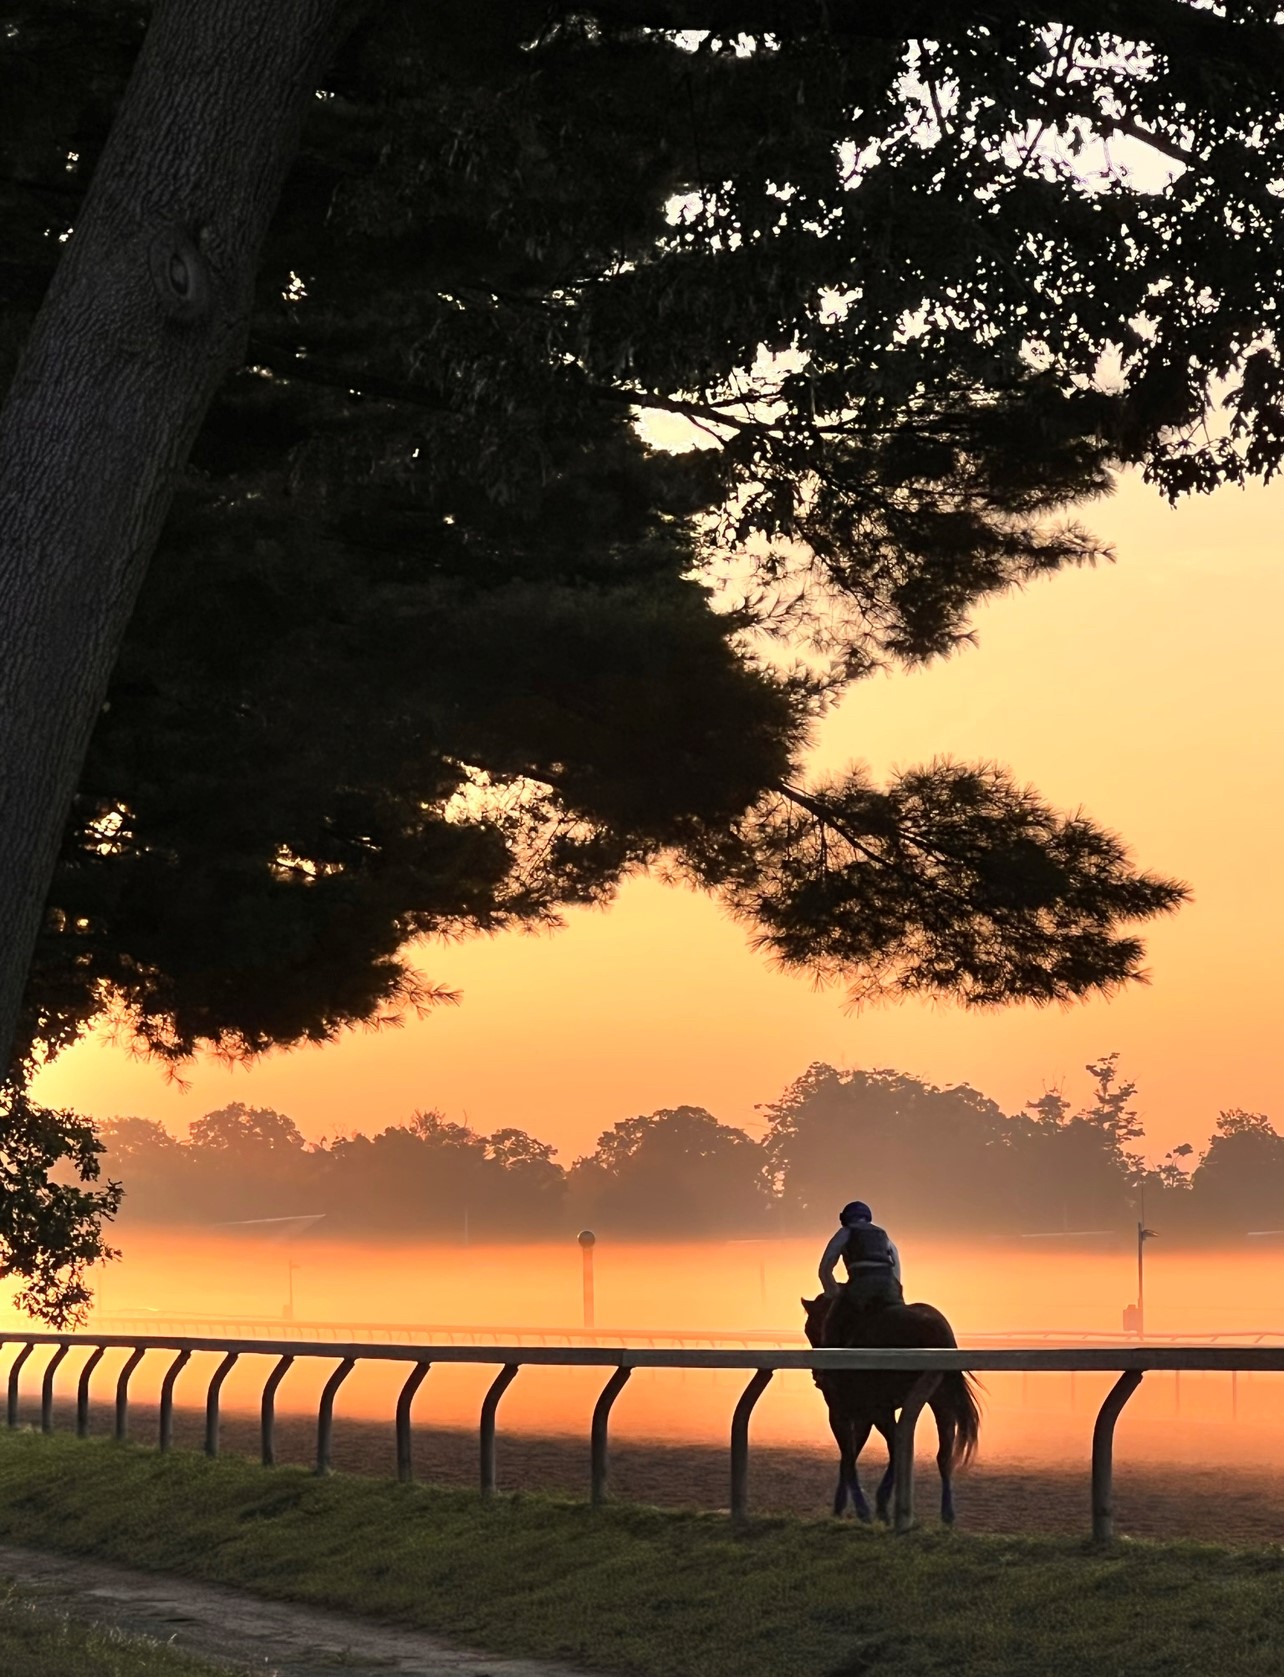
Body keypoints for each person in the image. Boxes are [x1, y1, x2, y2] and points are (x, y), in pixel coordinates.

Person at [818, 1201, 904, 1338]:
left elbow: (825, 1268)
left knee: (831, 1324)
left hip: (861, 1286)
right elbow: (895, 1263)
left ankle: (830, 1356)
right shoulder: (882, 1234)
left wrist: (832, 1292)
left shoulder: (845, 1233)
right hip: (889, 1287)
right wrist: (896, 1290)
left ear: (845, 1219)